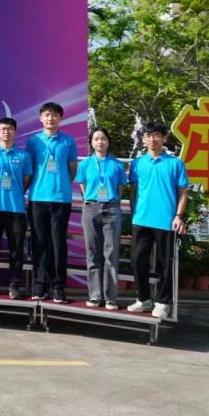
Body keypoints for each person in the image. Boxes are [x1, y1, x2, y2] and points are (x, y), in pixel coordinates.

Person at [127, 122, 188, 320]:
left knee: (165, 263)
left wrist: (178, 216)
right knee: (138, 260)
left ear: (164, 138)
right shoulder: (137, 164)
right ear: (143, 139)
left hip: (166, 221)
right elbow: (134, 191)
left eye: (156, 135)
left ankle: (163, 301)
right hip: (141, 219)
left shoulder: (175, 163)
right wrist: (134, 215)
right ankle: (144, 299)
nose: (152, 139)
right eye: (148, 135)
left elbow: (183, 192)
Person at [25, 101, 78, 303]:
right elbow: (29, 169)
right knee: (39, 243)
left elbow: (72, 169)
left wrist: (61, 184)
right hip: (37, 198)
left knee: (58, 243)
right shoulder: (33, 141)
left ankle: (58, 287)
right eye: (47, 115)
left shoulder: (68, 141)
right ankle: (40, 285)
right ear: (41, 118)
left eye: (55, 115)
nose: (51, 118)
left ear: (60, 118)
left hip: (61, 199)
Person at [75, 127, 126, 310]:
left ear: (108, 141)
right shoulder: (85, 164)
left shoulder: (117, 164)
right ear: (91, 142)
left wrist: (112, 201)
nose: (100, 142)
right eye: (96, 139)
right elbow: (83, 185)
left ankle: (110, 297)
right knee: (92, 253)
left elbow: (120, 188)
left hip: (112, 208)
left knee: (111, 253)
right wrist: (92, 199)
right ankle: (95, 296)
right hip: (91, 208)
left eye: (103, 138)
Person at [0, 118, 33, 298]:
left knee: (16, 249)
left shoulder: (23, 156)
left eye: (10, 129)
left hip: (16, 208)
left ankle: (14, 284)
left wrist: (17, 193)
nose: (6, 132)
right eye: (3, 129)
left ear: (15, 132)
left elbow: (26, 179)